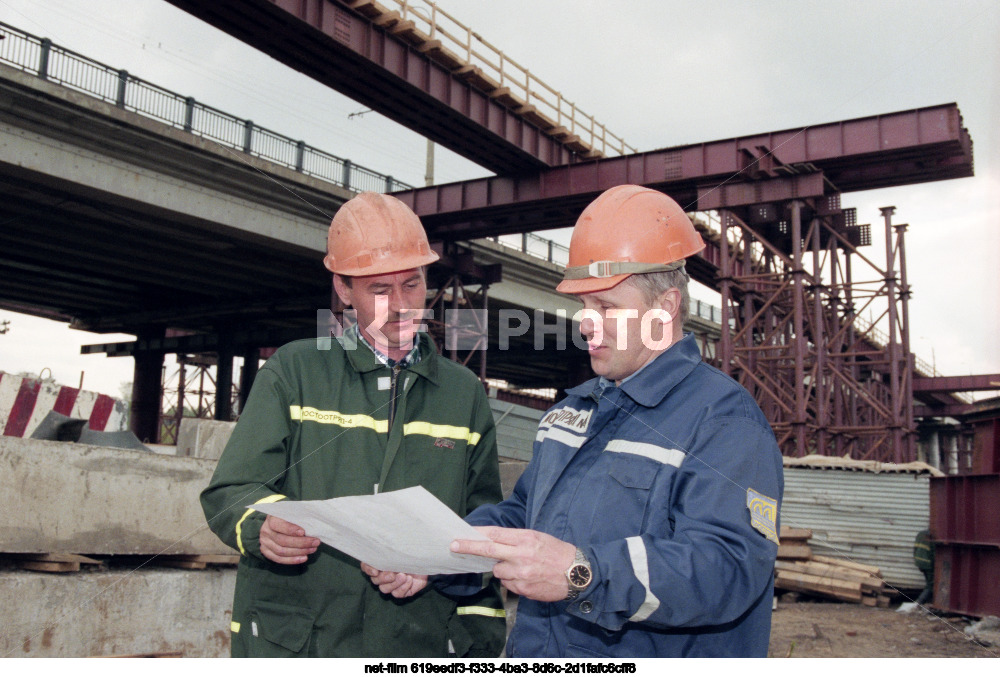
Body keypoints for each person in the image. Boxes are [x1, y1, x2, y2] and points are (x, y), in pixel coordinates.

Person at [371, 184, 784, 657]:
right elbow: (522, 518)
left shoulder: (722, 421)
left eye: (606, 307)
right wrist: (437, 554)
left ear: (665, 307)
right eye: (584, 306)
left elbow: (729, 568)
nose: (586, 324)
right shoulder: (572, 413)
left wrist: (580, 573)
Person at [200, 192, 507, 658]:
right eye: (379, 291)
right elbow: (231, 491)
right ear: (344, 290)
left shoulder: (463, 395)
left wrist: (432, 566)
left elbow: (484, 524)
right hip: (302, 642)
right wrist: (260, 525)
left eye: (412, 284)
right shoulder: (295, 372)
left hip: (415, 642)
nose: (401, 305)